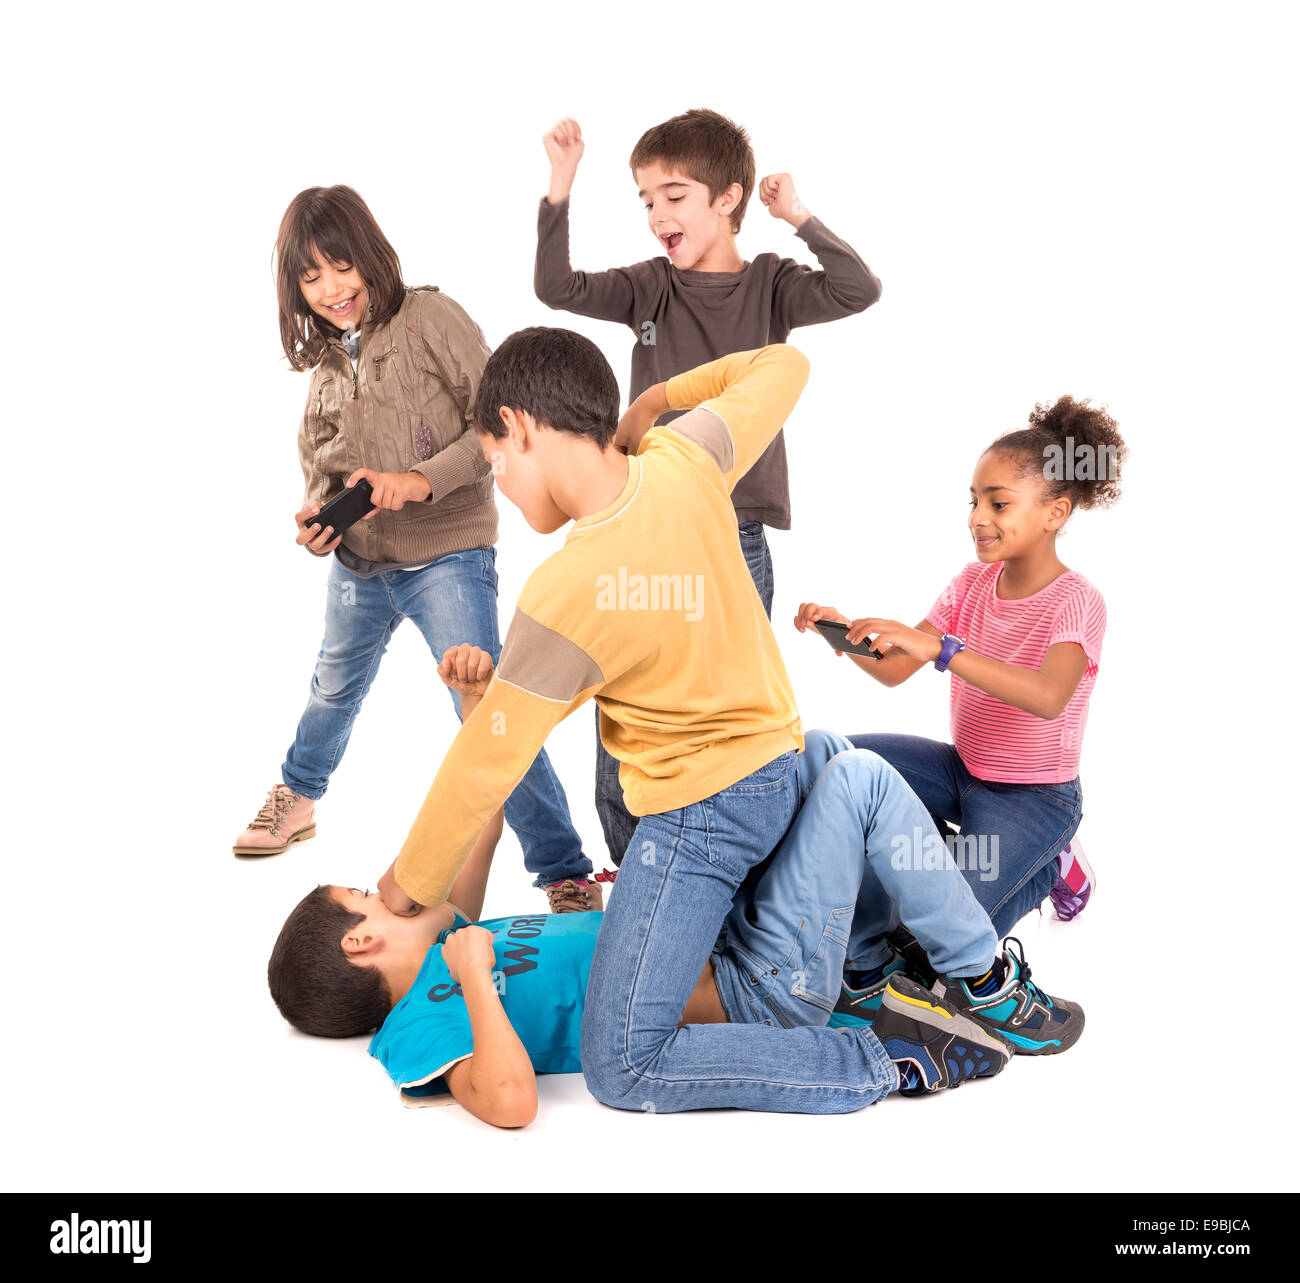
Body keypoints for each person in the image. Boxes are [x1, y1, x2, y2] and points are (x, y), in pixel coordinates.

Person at [368, 334, 1078, 1113]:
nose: (500, 486)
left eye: (495, 461)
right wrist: (653, 403)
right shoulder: (685, 456)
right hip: (778, 769)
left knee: (620, 1064)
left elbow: (487, 761)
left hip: (702, 819)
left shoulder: (563, 589)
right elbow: (785, 365)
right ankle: (927, 972)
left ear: (519, 424)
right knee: (836, 761)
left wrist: (408, 883)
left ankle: (875, 1057)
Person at [268, 652, 1082, 1125]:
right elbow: (512, 1101)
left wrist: (475, 704)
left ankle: (889, 950)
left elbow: (481, 817)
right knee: (860, 780)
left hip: (731, 929)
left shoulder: (453, 936)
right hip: (758, 982)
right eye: (366, 896)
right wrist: (476, 979)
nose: (391, 891)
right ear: (360, 939)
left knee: (821, 751)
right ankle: (982, 980)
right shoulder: (418, 1027)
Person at [231, 184, 595, 913]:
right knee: (333, 685)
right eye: (310, 277)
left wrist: (417, 482)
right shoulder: (327, 372)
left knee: (487, 711)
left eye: (340, 267)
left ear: (368, 257)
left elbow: (498, 424)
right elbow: (324, 476)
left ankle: (564, 868)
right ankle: (297, 797)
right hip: (360, 564)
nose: (331, 289)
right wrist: (316, 524)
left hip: (448, 554)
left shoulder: (431, 318)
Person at [535, 109, 883, 869]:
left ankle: (735, 864)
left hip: (735, 535)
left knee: (730, 714)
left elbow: (859, 289)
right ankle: (633, 864)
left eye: (675, 195)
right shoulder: (647, 290)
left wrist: (798, 217)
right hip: (646, 530)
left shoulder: (773, 286)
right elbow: (556, 286)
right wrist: (561, 185)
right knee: (628, 695)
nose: (658, 213)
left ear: (729, 199)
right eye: (645, 199)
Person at [795, 396, 1126, 933]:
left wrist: (946, 651)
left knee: (945, 935)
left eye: (998, 505)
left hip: (1034, 797)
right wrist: (847, 635)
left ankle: (1051, 863)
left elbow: (1048, 697)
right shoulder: (969, 585)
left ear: (1055, 512)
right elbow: (896, 667)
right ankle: (952, 847)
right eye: (973, 502)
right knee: (838, 765)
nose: (977, 519)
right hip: (961, 770)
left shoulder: (1077, 601)